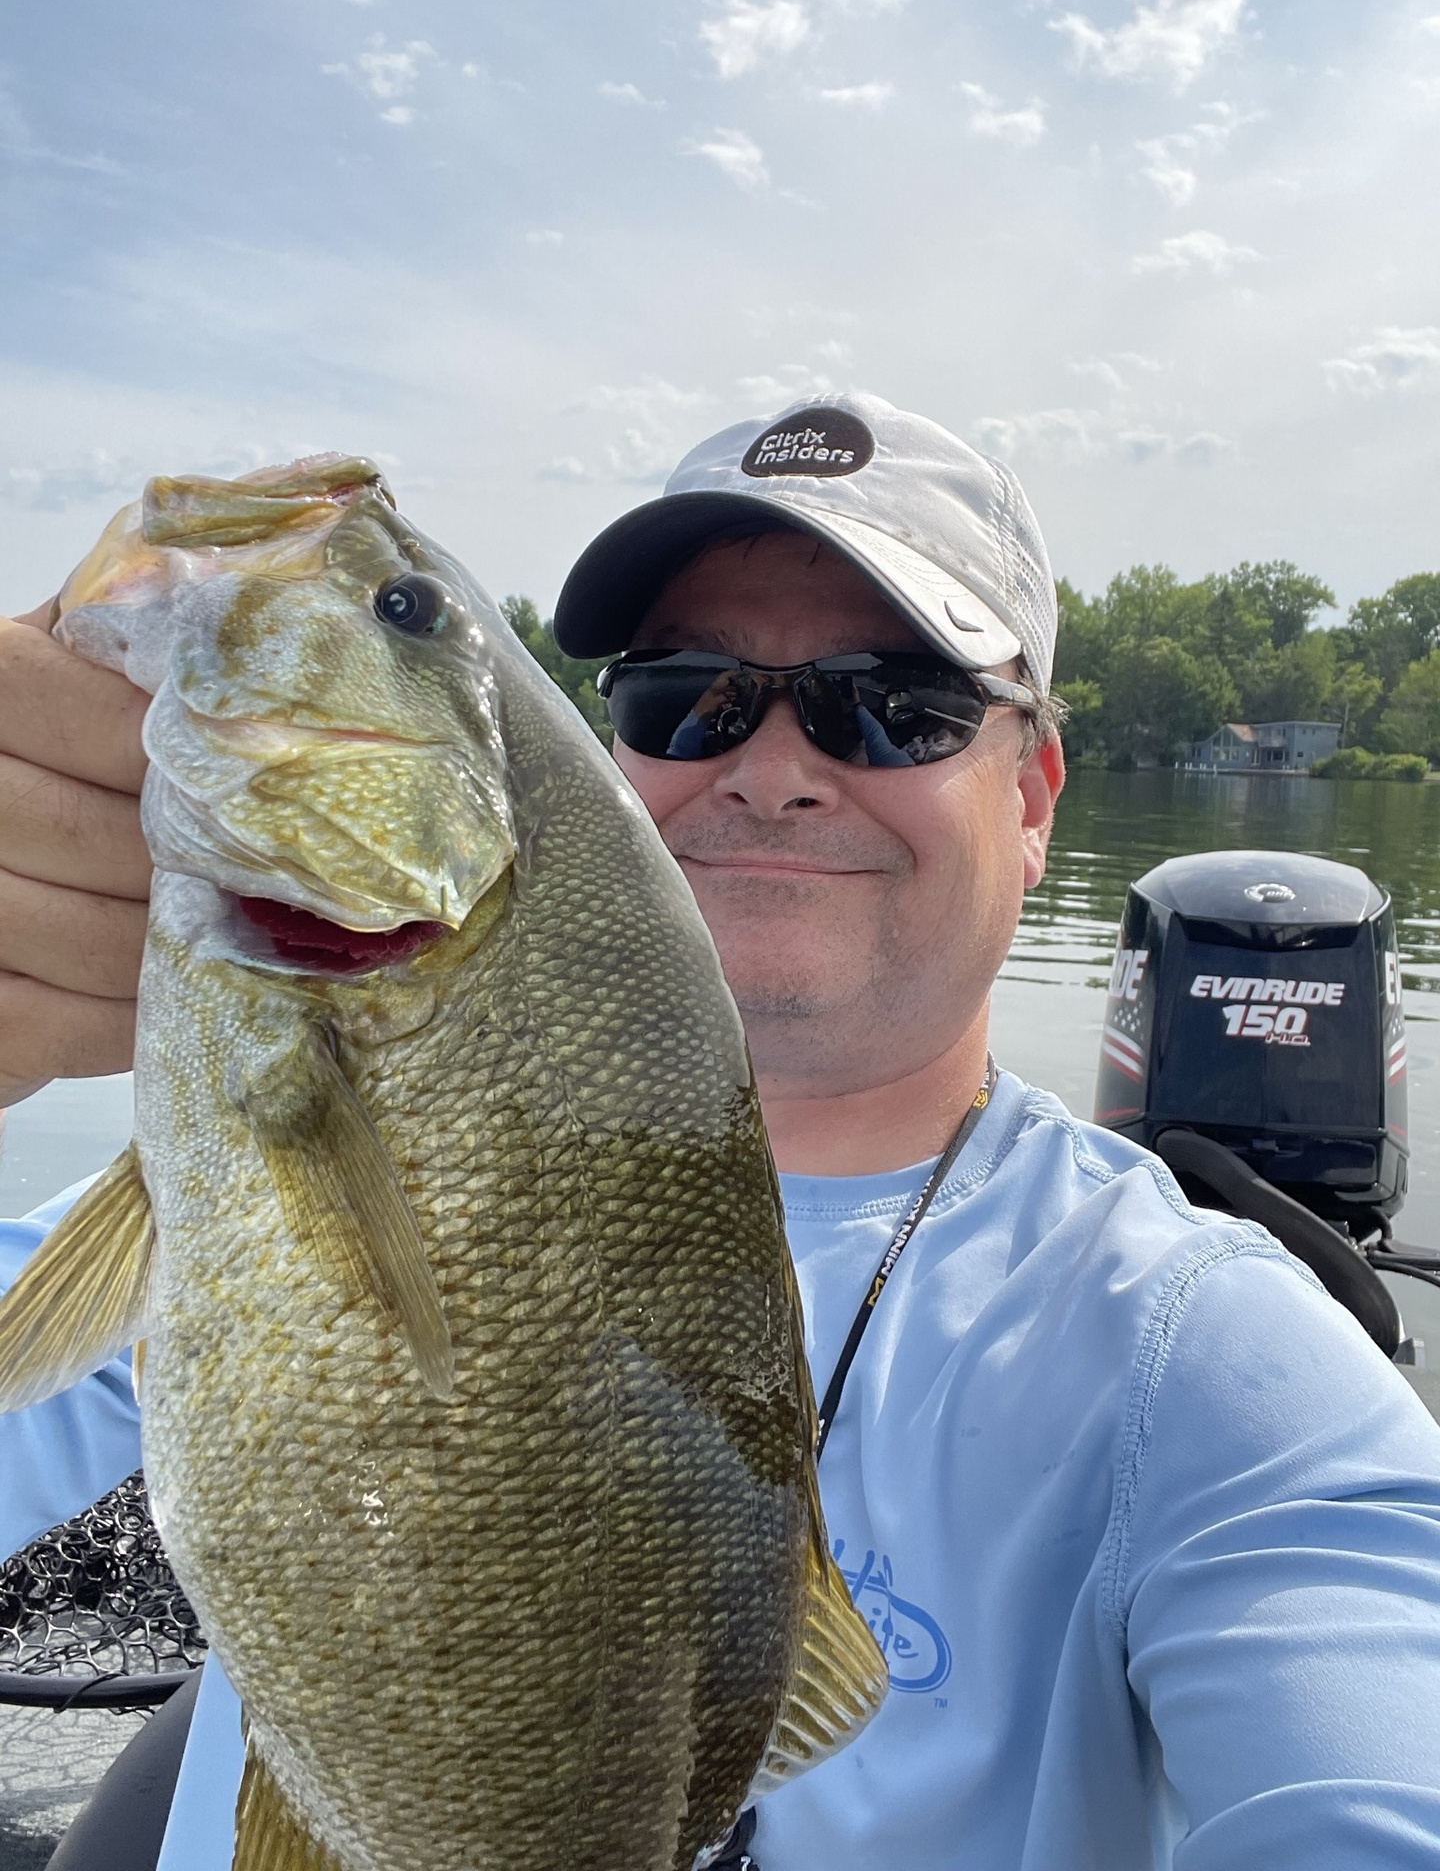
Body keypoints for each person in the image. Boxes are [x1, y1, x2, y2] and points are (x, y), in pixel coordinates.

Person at [4, 391, 1440, 1870]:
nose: (768, 763)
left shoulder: (1213, 1364)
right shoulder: (229, 1193)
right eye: (684, 692)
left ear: (1033, 800)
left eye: (894, 702)